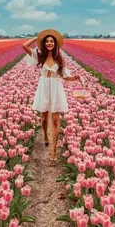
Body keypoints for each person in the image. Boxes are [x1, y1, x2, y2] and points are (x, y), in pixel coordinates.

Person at [22, 29, 82, 163]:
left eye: (51, 41)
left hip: (56, 89)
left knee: (55, 120)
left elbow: (65, 77)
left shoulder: (60, 59)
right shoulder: (40, 56)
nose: (49, 43)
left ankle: (53, 149)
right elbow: (24, 46)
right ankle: (44, 135)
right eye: (47, 41)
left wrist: (75, 78)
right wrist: (37, 38)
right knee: (44, 119)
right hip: (44, 88)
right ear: (44, 43)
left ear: (55, 44)